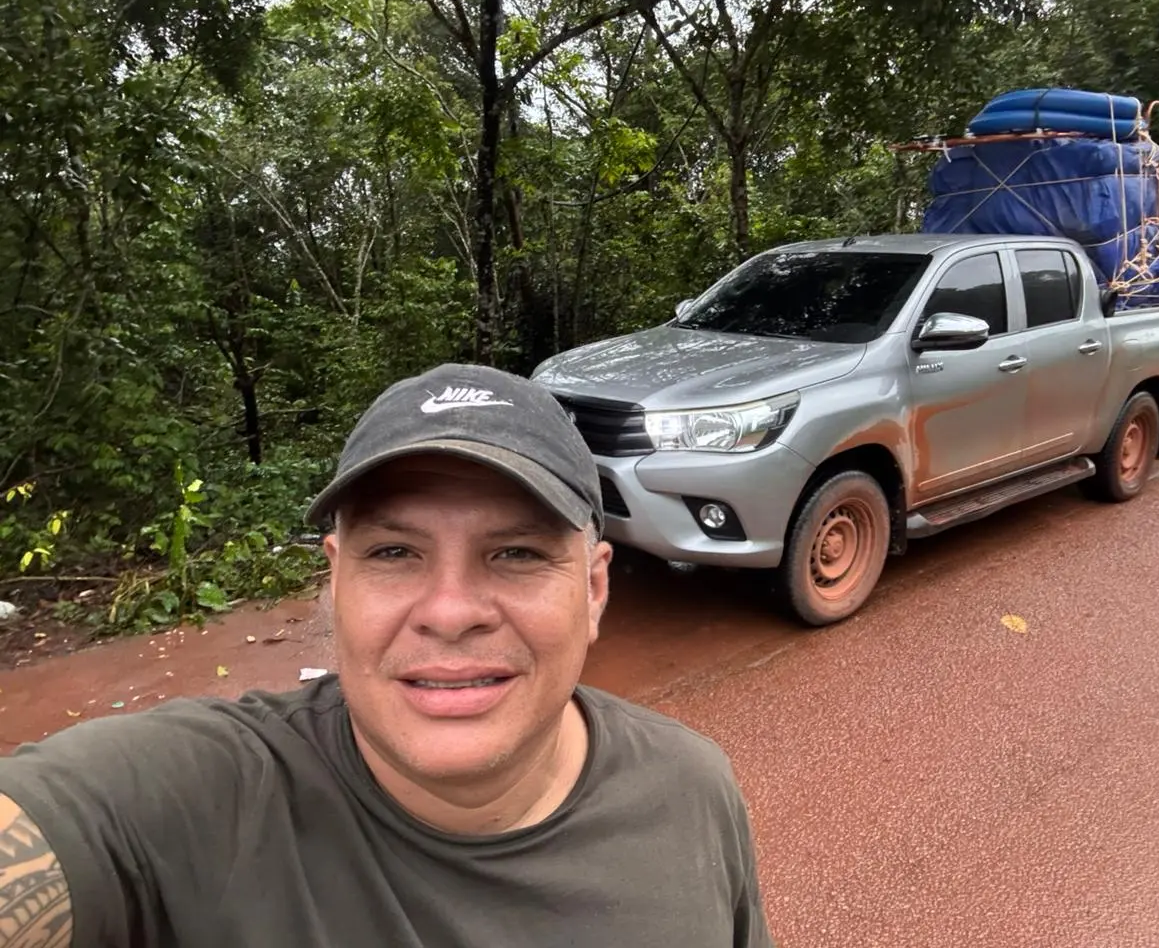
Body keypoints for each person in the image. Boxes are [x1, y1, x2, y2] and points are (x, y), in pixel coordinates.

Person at [0, 363, 773, 947]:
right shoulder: (201, 800)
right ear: (335, 582)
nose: (450, 612)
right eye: (395, 552)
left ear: (595, 589)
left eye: (516, 553)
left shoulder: (690, 792)